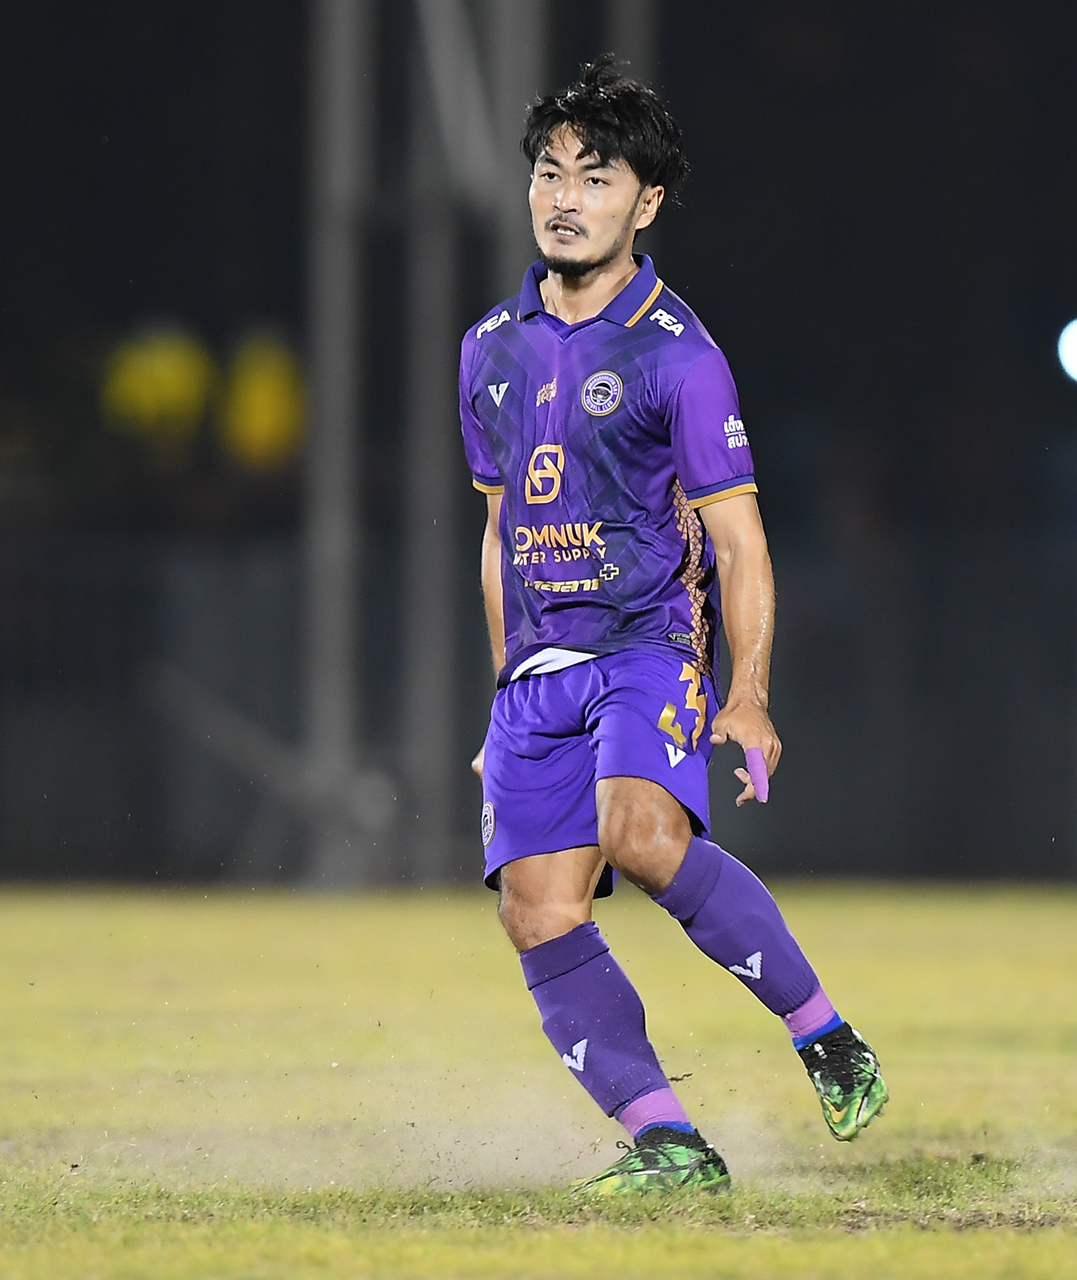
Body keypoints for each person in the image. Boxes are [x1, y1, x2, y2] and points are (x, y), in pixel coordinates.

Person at [460, 56, 888, 1194]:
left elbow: (740, 541)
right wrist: (503, 688)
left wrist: (747, 692)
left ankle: (824, 1033)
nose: (565, 198)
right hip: (538, 673)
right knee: (536, 910)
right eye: (550, 173)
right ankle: (670, 1144)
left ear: (645, 204)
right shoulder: (488, 347)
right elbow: (499, 532)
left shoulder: (679, 357)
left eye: (596, 179)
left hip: (645, 646)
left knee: (643, 834)